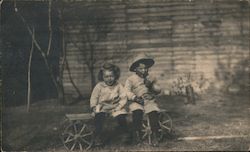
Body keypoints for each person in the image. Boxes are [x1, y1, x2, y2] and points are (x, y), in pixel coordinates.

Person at [125, 54, 162, 146]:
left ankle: (154, 135)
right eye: (141, 69)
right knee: (137, 112)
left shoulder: (151, 78)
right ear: (135, 69)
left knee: (153, 112)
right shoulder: (130, 79)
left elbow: (158, 90)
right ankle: (137, 136)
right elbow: (126, 91)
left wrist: (151, 86)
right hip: (137, 101)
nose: (144, 70)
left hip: (149, 100)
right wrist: (134, 98)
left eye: (145, 68)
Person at [90, 63, 129, 146]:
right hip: (103, 106)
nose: (109, 79)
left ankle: (125, 134)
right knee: (99, 117)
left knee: (121, 117)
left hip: (115, 106)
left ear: (116, 76)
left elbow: (123, 97)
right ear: (102, 77)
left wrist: (119, 106)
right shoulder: (99, 86)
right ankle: (97, 136)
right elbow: (94, 97)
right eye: (106, 77)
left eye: (111, 76)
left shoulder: (118, 85)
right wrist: (93, 106)